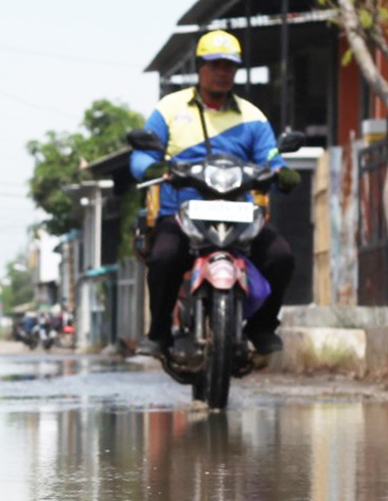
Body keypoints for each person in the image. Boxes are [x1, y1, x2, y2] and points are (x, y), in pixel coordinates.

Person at [129, 29, 301, 359]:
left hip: (238, 211)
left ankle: (263, 326)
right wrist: (149, 168)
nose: (222, 72)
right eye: (214, 64)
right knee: (164, 257)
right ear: (199, 67)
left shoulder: (252, 116)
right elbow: (143, 154)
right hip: (181, 212)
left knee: (281, 256)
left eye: (229, 66)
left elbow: (270, 157)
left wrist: (282, 172)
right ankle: (160, 332)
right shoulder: (171, 108)